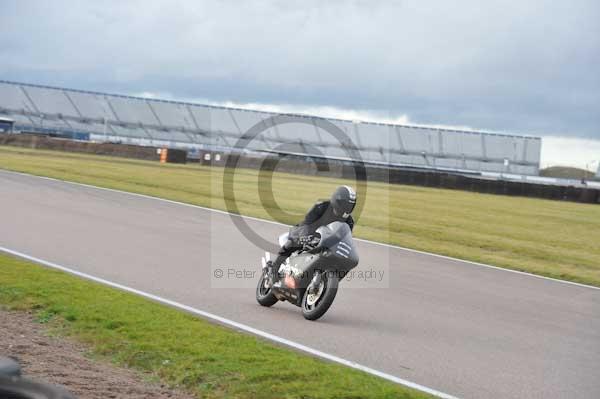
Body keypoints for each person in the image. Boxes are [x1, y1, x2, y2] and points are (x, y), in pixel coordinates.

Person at [267, 185, 357, 283]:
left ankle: (325, 283)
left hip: (327, 244)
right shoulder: (322, 206)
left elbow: (345, 238)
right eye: (345, 204)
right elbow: (307, 223)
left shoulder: (349, 221)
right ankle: (274, 270)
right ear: (337, 200)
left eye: (350, 206)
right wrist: (306, 236)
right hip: (308, 234)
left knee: (344, 262)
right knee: (293, 242)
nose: (347, 208)